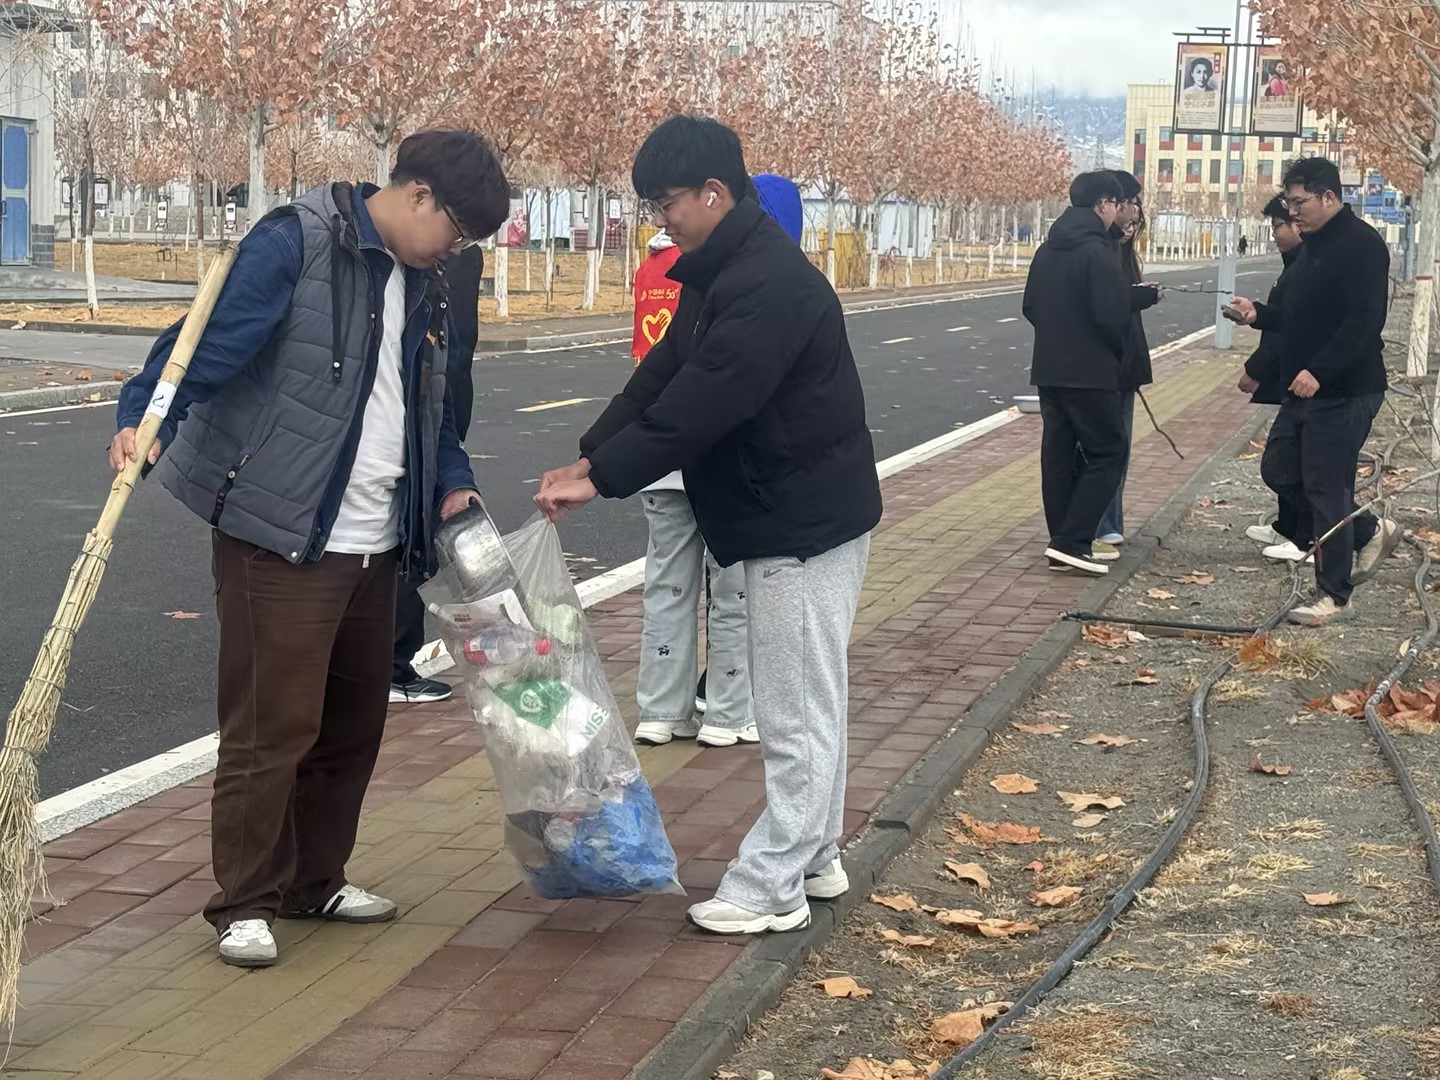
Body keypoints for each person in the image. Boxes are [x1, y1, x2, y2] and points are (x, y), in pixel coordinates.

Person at [109, 130, 510, 967]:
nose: (458, 250)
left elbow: (432, 405)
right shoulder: (299, 242)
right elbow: (203, 345)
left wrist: (452, 478)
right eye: (458, 231)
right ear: (419, 196)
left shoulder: (428, 283)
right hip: (281, 534)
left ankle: (314, 881)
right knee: (270, 729)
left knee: (351, 727)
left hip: (377, 542)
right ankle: (244, 902)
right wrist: (147, 415)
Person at [534, 115, 882, 936]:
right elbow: (664, 374)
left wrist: (604, 479)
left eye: (668, 204)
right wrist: (592, 455)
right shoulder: (720, 272)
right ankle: (815, 854)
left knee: (794, 711)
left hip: (800, 522)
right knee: (810, 699)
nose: (662, 222)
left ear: (714, 193)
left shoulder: (768, 285)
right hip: (787, 510)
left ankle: (771, 885)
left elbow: (706, 401)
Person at [1228, 157, 1399, 625]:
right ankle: (1368, 530)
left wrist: (1320, 371)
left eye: (1299, 202)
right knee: (1280, 469)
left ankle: (1334, 595)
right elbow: (1296, 315)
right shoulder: (1311, 248)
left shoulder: (1361, 246)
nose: (1292, 212)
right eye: (1289, 202)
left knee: (1326, 487)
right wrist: (1258, 315)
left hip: (1345, 389)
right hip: (1302, 390)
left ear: (1329, 197)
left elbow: (1364, 322)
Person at [1023, 170, 1131, 576]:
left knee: (1058, 455)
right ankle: (1073, 540)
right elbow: (1111, 316)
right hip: (1090, 372)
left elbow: (1030, 306)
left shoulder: (1046, 251)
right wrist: (1114, 352)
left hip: (1049, 369)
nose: (1116, 212)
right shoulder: (1097, 252)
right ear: (1102, 205)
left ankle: (1062, 541)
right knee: (1108, 452)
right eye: (1116, 204)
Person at [391, 242, 483, 704]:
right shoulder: (408, 260)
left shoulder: (458, 260)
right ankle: (388, 665)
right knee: (401, 542)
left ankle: (391, 664)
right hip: (408, 428)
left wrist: (454, 475)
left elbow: (452, 359)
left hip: (436, 416)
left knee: (417, 539)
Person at [1092, 170, 1161, 561]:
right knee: (1104, 448)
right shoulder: (1096, 251)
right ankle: (1097, 527)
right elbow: (1107, 305)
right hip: (1103, 367)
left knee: (1118, 447)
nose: (1134, 212)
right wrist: (1137, 298)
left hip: (1124, 364)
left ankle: (1110, 523)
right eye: (1129, 203)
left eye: (1136, 204)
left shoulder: (1121, 249)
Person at [1238, 195, 1311, 559]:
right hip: (1294, 377)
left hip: (1309, 380)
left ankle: (1317, 536)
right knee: (1288, 457)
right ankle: (1289, 527)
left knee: (1285, 463)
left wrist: (1256, 369)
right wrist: (1256, 315)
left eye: (1279, 225)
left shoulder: (1308, 267)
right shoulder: (1295, 263)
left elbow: (1289, 329)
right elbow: (1281, 319)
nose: (1275, 233)